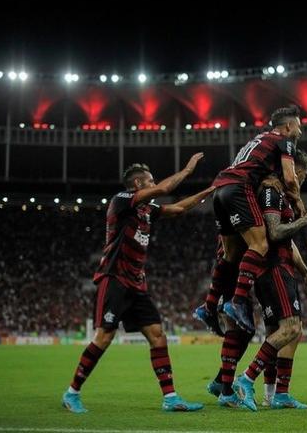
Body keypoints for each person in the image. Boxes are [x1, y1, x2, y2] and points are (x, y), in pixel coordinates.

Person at [62, 157, 213, 413]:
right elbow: (165, 190)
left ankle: (171, 398)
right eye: (150, 180)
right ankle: (72, 393)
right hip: (115, 278)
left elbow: (177, 209)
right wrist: (187, 171)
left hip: (136, 283)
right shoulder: (122, 200)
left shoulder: (146, 210)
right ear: (137, 183)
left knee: (157, 336)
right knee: (105, 336)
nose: (154, 183)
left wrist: (207, 192)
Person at [233, 149, 307, 411]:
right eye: (300, 174)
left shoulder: (280, 194)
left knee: (279, 332)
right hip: (273, 268)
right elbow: (275, 232)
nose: (301, 180)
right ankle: (246, 379)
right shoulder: (271, 192)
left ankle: (275, 395)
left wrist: (305, 272)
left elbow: (288, 242)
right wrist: (306, 219)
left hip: (280, 267)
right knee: (291, 328)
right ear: (293, 170)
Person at [210, 106, 307, 333]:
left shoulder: (257, 140)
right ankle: (237, 302)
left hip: (220, 189)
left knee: (229, 253)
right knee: (260, 244)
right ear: (288, 126)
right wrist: (298, 201)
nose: (300, 133)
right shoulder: (285, 141)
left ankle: (208, 305)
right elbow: (291, 179)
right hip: (238, 189)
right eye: (298, 127)